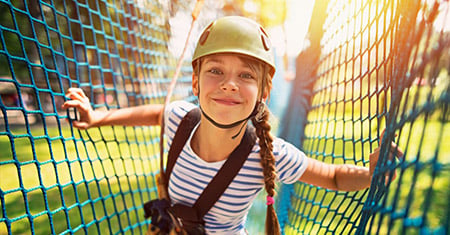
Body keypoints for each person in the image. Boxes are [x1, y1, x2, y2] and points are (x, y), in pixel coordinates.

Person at [62, 16, 401, 235]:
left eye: (245, 75)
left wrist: (372, 175)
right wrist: (97, 119)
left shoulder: (267, 153)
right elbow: (154, 113)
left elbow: (333, 176)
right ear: (195, 83)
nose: (229, 84)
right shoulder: (181, 119)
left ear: (263, 91)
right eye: (215, 71)